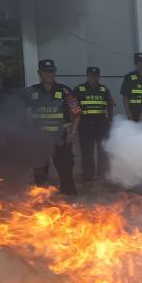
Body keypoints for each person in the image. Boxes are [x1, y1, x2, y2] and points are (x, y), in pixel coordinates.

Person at [26, 59, 80, 195]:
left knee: (65, 171)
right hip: (40, 139)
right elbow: (21, 111)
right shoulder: (31, 91)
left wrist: (72, 133)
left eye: (52, 71)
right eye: (46, 72)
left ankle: (70, 198)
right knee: (40, 172)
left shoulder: (65, 91)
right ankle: (40, 199)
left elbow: (77, 113)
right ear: (39, 73)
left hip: (61, 139)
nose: (49, 74)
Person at [74, 66, 114, 181]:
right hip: (85, 124)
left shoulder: (104, 89)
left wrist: (109, 120)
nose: (94, 78)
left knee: (103, 151)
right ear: (87, 76)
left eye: (96, 76)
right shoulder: (79, 89)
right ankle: (88, 177)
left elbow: (110, 105)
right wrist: (75, 123)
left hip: (101, 124)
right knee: (87, 153)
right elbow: (73, 106)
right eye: (91, 76)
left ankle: (102, 176)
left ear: (99, 77)